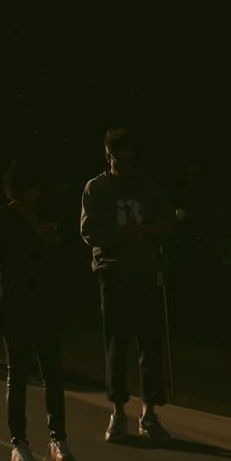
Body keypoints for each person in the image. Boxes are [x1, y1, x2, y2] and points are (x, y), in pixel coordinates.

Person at [81, 128, 173, 444]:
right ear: (108, 157)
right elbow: (89, 231)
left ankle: (148, 414)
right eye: (120, 161)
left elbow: (166, 222)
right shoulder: (97, 188)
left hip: (145, 274)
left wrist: (145, 230)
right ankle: (119, 413)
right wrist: (121, 234)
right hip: (114, 274)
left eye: (130, 160)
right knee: (117, 346)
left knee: (150, 345)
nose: (126, 166)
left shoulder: (147, 186)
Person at [0, 162, 71, 461]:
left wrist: (53, 243)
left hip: (46, 302)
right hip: (18, 303)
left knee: (52, 373)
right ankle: (18, 442)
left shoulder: (47, 214)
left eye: (37, 188)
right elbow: (6, 260)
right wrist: (37, 239)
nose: (35, 194)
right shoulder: (2, 218)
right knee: (18, 373)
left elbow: (63, 259)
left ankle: (57, 438)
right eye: (29, 188)